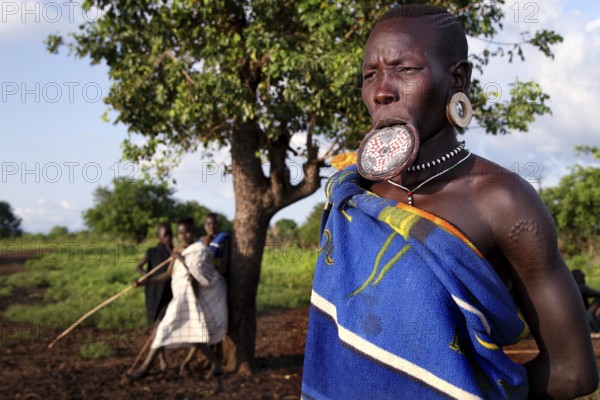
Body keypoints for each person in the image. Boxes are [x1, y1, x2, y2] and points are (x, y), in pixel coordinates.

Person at [301, 4, 598, 400]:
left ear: (456, 78)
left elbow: (573, 371)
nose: (381, 90)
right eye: (370, 74)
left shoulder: (499, 199)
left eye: (404, 69)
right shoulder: (352, 195)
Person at [127, 217, 228, 381]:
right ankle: (215, 364)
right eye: (181, 232)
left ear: (193, 232)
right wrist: (146, 282)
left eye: (187, 232)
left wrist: (182, 259)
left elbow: (201, 275)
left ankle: (145, 368)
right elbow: (168, 274)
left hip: (189, 296)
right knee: (195, 335)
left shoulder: (199, 249)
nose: (184, 235)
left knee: (163, 329)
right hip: (179, 294)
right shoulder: (178, 249)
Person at [134, 222, 173, 324]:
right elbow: (138, 267)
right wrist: (147, 276)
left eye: (170, 234)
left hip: (168, 289)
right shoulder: (152, 252)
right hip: (154, 288)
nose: (168, 238)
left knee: (167, 315)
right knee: (155, 316)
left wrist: (170, 250)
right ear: (158, 237)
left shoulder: (174, 253)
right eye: (165, 235)